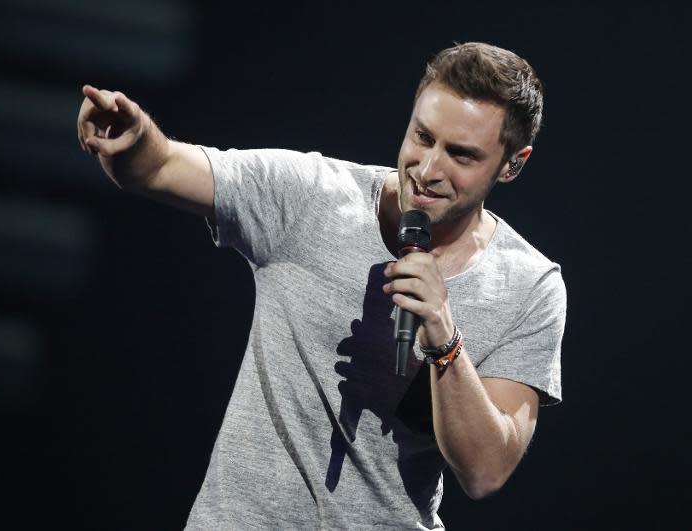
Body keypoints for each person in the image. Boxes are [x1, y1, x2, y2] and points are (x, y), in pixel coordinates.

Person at [76, 42, 566, 530]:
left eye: (461, 154)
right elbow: (160, 167)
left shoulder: (530, 287)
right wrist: (132, 141)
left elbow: (485, 471)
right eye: (422, 136)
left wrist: (444, 340)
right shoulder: (313, 197)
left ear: (512, 163)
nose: (429, 169)